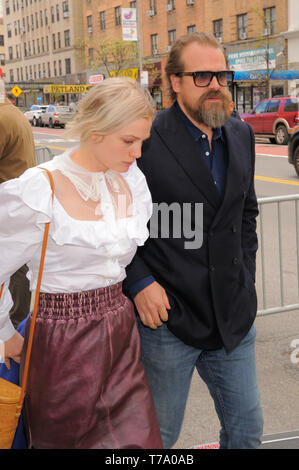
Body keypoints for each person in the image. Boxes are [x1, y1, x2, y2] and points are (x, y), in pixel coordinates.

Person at [0, 77, 162, 449]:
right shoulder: (40, 188)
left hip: (121, 332)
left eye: (142, 142)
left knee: (142, 443)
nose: (137, 152)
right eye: (129, 140)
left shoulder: (130, 182)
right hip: (60, 343)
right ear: (95, 130)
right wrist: (4, 331)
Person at [123, 32, 264, 449]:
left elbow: (246, 213)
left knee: (246, 430)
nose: (216, 85)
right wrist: (139, 283)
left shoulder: (239, 134)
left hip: (232, 318)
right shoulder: (145, 139)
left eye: (222, 74)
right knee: (157, 438)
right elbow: (115, 220)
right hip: (168, 320)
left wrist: (246, 280)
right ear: (175, 82)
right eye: (202, 76)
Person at [0, 80, 36, 330]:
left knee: (13, 279)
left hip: (9, 216)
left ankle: (10, 349)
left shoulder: (2, 119)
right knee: (18, 276)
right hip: (20, 213)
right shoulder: (12, 113)